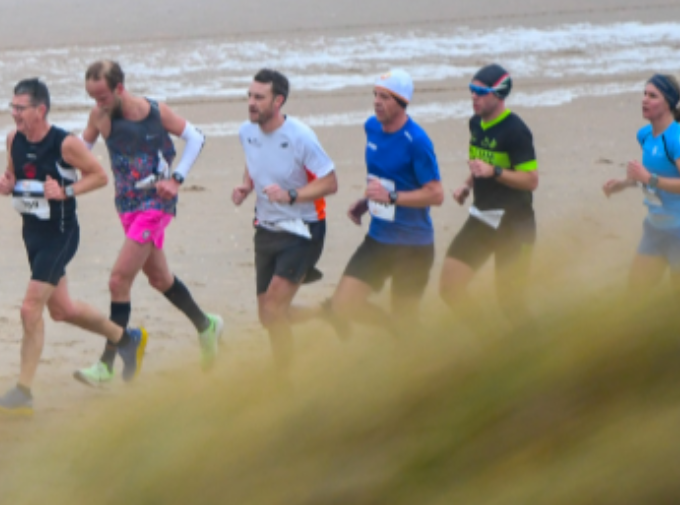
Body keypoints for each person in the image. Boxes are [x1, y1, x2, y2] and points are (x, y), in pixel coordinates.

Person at [0, 78, 145, 417]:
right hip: (32, 235)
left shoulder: (65, 143)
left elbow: (99, 176)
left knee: (30, 309)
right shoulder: (13, 139)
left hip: (60, 235)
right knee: (62, 310)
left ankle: (23, 393)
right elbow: (14, 174)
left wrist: (65, 191)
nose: (14, 113)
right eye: (12, 107)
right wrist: (7, 183)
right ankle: (126, 339)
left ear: (40, 110)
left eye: (20, 108)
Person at [74, 60, 222, 388]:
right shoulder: (99, 116)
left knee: (118, 281)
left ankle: (107, 364)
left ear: (119, 88)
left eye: (103, 97)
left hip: (156, 203)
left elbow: (196, 138)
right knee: (159, 278)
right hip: (126, 205)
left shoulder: (155, 112)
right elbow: (79, 149)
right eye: (93, 98)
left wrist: (177, 179)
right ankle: (206, 325)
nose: (99, 104)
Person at [230, 68, 339, 373]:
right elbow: (254, 160)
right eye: (249, 96)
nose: (251, 103)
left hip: (303, 231)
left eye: (259, 97)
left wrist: (291, 195)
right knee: (267, 315)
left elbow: (330, 182)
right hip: (266, 229)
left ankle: (283, 379)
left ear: (278, 101)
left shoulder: (300, 137)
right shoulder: (246, 131)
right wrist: (246, 185)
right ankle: (325, 312)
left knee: (274, 310)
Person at [331, 70, 443, 334]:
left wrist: (391, 197)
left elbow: (436, 194)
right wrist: (367, 202)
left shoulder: (417, 141)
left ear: (403, 102)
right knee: (343, 305)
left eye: (385, 97)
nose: (377, 102)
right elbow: (385, 176)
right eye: (375, 95)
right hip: (379, 239)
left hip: (413, 245)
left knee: (407, 321)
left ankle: (412, 339)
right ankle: (395, 331)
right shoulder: (371, 128)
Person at [439, 65, 539, 327]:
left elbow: (531, 180)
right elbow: (480, 164)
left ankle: (537, 343)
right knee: (450, 288)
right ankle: (491, 341)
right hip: (482, 217)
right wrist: (467, 185)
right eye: (472, 90)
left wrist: (495, 172)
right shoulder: (475, 123)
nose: (474, 96)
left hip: (515, 225)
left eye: (480, 91)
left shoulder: (516, 131)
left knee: (510, 303)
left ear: (498, 93)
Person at [603, 74, 680, 292]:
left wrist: (649, 179)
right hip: (654, 229)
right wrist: (623, 183)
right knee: (635, 293)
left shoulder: (678, 139)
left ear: (668, 103)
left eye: (653, 96)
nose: (644, 100)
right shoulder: (645, 135)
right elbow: (650, 176)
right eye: (644, 94)